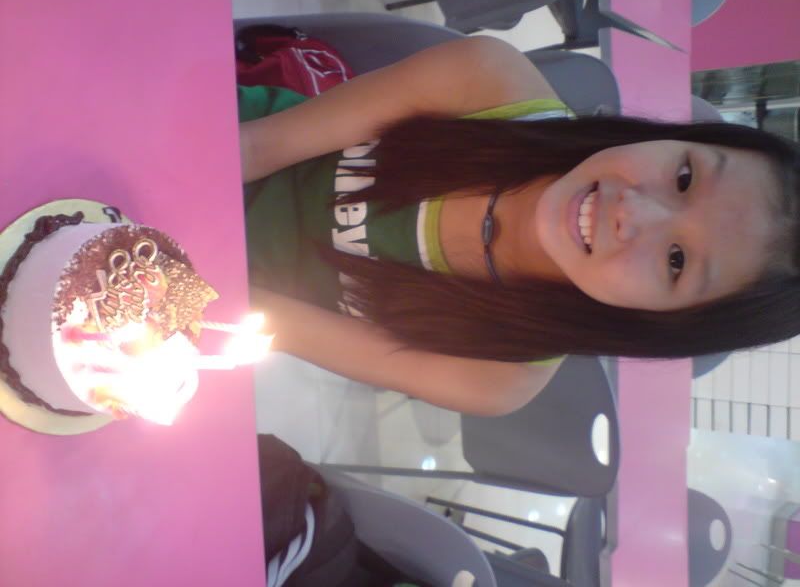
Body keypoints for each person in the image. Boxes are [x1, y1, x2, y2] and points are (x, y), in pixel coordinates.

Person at [238, 35, 800, 416]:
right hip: (214, 143)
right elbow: (255, 147)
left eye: (676, 261)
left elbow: (257, 319)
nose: (632, 213)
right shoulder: (488, 81)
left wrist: (184, 282)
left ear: (665, 321)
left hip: (205, 283)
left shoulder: (496, 375)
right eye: (683, 176)